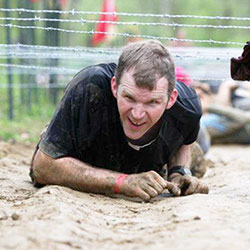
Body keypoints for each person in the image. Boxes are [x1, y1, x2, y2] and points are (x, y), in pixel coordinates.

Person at [30, 40, 209, 202]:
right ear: (114, 86)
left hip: (149, 158)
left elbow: (186, 139)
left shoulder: (188, 107)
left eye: (152, 102)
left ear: (171, 99)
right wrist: (122, 182)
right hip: (90, 154)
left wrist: (179, 172)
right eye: (129, 98)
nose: (137, 114)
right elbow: (42, 167)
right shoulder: (90, 87)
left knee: (199, 162)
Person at [194, 80, 250, 145]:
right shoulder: (203, 124)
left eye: (200, 96)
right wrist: (208, 107)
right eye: (196, 97)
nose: (199, 101)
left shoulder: (212, 113)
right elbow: (244, 118)